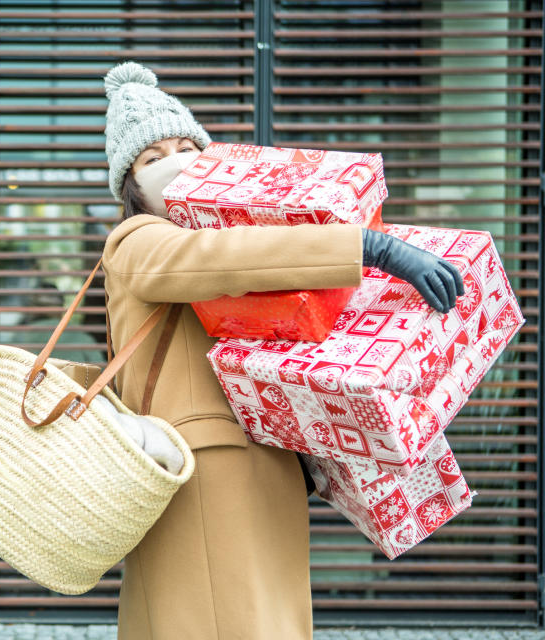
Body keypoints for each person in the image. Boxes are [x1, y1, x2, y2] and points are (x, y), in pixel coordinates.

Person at [100, 61, 463, 640]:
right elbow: (227, 261)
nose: (176, 161)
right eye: (153, 157)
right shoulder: (137, 240)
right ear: (131, 183)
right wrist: (367, 247)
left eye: (188, 146)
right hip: (203, 468)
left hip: (260, 457)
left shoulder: (223, 233)